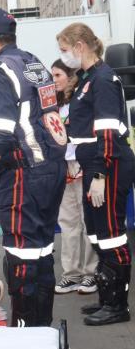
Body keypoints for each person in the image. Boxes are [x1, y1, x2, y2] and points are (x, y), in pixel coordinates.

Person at [0, 9, 66, 328]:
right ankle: (42, 330)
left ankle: (25, 336)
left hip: (23, 171)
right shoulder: (33, 63)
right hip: (52, 166)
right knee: (42, 253)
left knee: (21, 257)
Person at [58, 23, 135, 325]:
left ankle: (117, 305)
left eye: (64, 50)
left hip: (109, 163)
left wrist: (100, 175)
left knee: (112, 233)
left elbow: (105, 130)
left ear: (80, 46)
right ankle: (106, 297)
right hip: (94, 164)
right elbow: (81, 126)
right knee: (98, 232)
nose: (63, 57)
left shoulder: (102, 78)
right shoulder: (87, 79)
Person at [51, 59, 97, 295]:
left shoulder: (81, 99)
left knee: (88, 220)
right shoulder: (53, 105)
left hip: (84, 163)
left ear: (71, 76)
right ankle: (71, 274)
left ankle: (91, 273)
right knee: (68, 223)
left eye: (58, 75)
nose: (54, 80)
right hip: (63, 166)